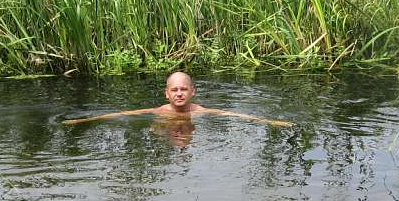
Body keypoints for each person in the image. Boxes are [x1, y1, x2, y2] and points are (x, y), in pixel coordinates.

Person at [62, 71, 292, 127]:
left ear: (193, 91)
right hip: (165, 127)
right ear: (167, 93)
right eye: (175, 90)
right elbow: (123, 114)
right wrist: (83, 121)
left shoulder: (199, 111)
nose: (179, 93)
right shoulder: (160, 111)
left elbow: (234, 114)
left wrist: (270, 122)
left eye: (183, 89)